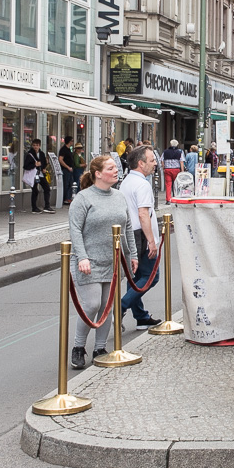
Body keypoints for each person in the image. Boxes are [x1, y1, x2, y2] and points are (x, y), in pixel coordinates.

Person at [69, 155, 137, 369]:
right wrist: (82, 257)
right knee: (92, 304)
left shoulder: (119, 197)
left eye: (116, 167)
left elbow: (127, 228)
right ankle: (79, 346)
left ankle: (100, 348)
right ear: (98, 174)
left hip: (113, 260)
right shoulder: (83, 198)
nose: (116, 170)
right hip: (89, 261)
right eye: (110, 168)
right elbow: (75, 230)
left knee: (108, 306)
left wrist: (132, 255)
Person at [119, 145, 162, 328]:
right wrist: (151, 241)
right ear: (140, 163)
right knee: (151, 275)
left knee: (135, 278)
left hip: (130, 234)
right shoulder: (142, 184)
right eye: (151, 160)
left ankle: (141, 316)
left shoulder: (127, 181)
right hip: (141, 235)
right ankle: (120, 306)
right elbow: (143, 214)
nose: (155, 164)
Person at [24, 138, 54, 213]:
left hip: (40, 174)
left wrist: (43, 168)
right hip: (33, 175)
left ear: (39, 146)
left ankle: (47, 206)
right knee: (35, 190)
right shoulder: (30, 154)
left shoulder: (42, 154)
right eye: (34, 145)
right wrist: (34, 164)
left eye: (37, 145)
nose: (35, 147)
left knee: (47, 188)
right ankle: (34, 208)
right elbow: (26, 166)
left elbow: (43, 163)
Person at [58, 136, 78, 204]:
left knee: (70, 184)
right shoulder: (63, 149)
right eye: (72, 141)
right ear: (69, 141)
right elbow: (60, 159)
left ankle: (69, 197)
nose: (72, 142)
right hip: (66, 169)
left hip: (70, 169)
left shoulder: (69, 149)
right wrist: (67, 167)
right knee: (66, 184)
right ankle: (65, 198)